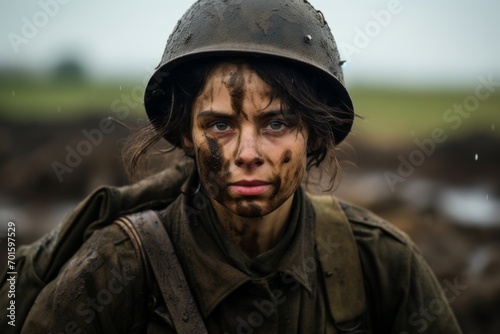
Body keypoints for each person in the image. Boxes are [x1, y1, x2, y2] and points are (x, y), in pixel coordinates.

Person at [19, 0, 462, 333]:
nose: (247, 152)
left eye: (276, 123)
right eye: (220, 125)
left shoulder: (383, 263)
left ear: (314, 135)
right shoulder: (113, 268)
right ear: (186, 135)